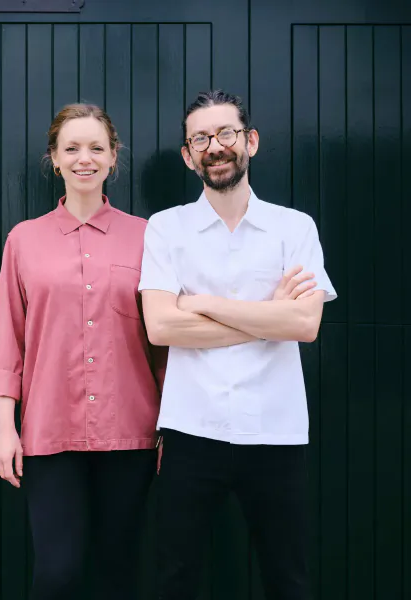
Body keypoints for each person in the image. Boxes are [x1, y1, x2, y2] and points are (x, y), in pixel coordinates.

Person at [139, 89, 337, 600]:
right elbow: (161, 328)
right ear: (188, 155)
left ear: (249, 141)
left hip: (276, 431)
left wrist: (198, 303)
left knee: (288, 579)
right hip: (190, 431)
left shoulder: (295, 228)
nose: (215, 146)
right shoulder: (166, 229)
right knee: (174, 578)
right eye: (200, 138)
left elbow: (307, 325)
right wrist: (272, 316)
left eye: (226, 133)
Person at [0, 103, 166, 599]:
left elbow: (164, 344)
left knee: (119, 573)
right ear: (54, 158)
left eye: (96, 148)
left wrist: (171, 426)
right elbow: (9, 337)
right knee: (57, 574)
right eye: (72, 148)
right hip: (49, 435)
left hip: (131, 435)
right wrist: (6, 428)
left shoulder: (147, 237)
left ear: (113, 158)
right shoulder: (24, 240)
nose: (83, 158)